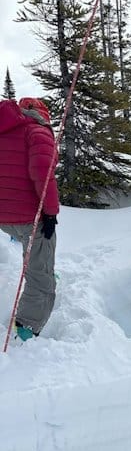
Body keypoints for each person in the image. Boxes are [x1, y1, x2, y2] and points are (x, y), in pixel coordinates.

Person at [0, 97, 59, 341]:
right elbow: (43, 172)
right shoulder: (37, 131)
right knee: (40, 266)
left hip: (3, 215)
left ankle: (41, 265)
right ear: (40, 113)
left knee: (31, 246)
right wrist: (50, 212)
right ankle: (26, 329)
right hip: (27, 215)